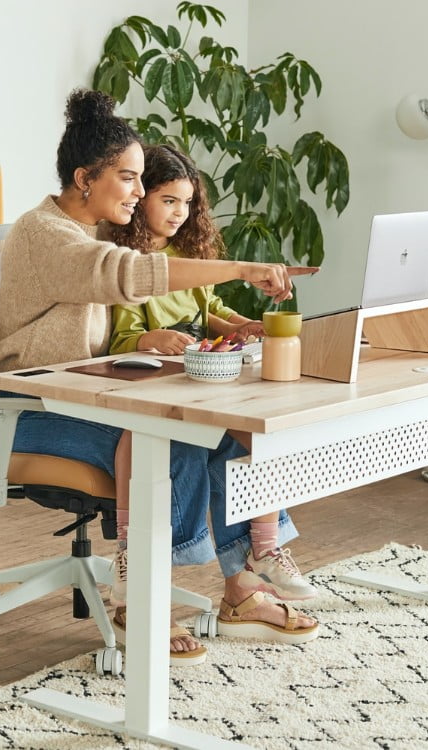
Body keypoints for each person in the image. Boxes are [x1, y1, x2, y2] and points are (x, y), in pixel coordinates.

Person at [0, 88, 318, 667]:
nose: (141, 193)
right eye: (129, 178)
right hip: (35, 410)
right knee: (173, 434)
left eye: (143, 180)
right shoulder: (47, 235)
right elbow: (132, 276)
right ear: (84, 177)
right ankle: (137, 592)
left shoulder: (94, 231)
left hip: (89, 394)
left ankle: (244, 587)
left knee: (221, 430)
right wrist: (244, 267)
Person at [108, 144, 318, 615]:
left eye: (187, 203)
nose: (180, 213)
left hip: (198, 377)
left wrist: (245, 326)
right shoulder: (127, 261)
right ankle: (132, 555)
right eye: (168, 201)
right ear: (140, 197)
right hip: (151, 388)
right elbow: (122, 340)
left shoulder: (189, 255)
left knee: (257, 433)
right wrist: (150, 338)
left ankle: (262, 549)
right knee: (176, 438)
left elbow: (210, 314)